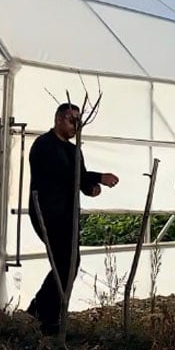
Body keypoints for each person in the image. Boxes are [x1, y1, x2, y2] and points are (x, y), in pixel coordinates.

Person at [24, 102, 118, 335]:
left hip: (67, 214)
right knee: (65, 263)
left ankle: (42, 310)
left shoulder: (73, 150)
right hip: (47, 213)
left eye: (78, 121)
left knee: (68, 263)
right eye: (71, 120)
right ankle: (46, 314)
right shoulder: (44, 145)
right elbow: (66, 174)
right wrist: (99, 177)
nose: (75, 125)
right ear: (58, 119)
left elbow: (80, 179)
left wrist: (91, 188)